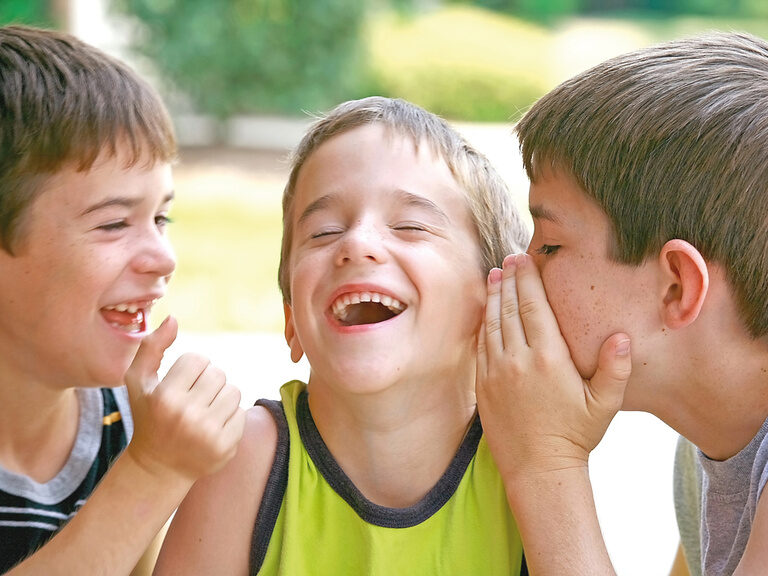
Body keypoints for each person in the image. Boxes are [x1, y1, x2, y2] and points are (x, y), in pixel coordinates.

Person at [153, 96, 531, 575]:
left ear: (495, 304)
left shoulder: (528, 464)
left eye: (410, 226)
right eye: (324, 232)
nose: (356, 243)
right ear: (292, 321)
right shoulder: (247, 461)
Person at [475, 31, 768, 576]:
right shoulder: (710, 448)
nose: (518, 268)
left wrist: (546, 464)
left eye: (551, 245)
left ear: (677, 287)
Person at [0, 25, 245, 575]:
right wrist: (153, 473)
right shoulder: (145, 454)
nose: (164, 257)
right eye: (113, 223)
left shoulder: (124, 422)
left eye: (161, 217)